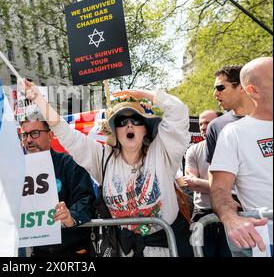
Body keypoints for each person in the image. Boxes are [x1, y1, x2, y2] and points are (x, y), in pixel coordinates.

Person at [23, 80, 194, 257]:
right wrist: (39, 100)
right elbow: (67, 134)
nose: (129, 125)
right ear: (115, 131)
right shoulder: (104, 158)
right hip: (125, 250)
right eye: (121, 121)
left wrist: (145, 94)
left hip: (169, 248)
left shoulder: (162, 152)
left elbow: (179, 112)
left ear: (145, 128)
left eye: (135, 119)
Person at [210, 57, 273, 256]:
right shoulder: (234, 133)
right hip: (267, 242)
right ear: (253, 90)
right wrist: (230, 218)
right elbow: (220, 188)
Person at [20, 119, 96, 257]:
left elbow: (86, 198)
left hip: (74, 250)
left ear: (50, 135)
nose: (29, 139)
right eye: (25, 135)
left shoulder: (71, 163)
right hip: (39, 252)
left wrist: (71, 217)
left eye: (35, 133)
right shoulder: (19, 171)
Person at [182, 110, 231, 257]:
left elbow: (234, 187)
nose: (203, 127)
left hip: (230, 211)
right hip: (201, 212)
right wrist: (220, 186)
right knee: (200, 253)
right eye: (201, 123)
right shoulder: (193, 150)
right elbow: (190, 184)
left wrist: (198, 182)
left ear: (219, 124)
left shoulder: (231, 146)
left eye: (208, 123)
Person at [205, 65, 254, 164]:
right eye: (214, 88)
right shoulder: (215, 126)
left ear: (241, 87)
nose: (215, 93)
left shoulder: (268, 119)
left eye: (220, 87)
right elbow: (213, 171)